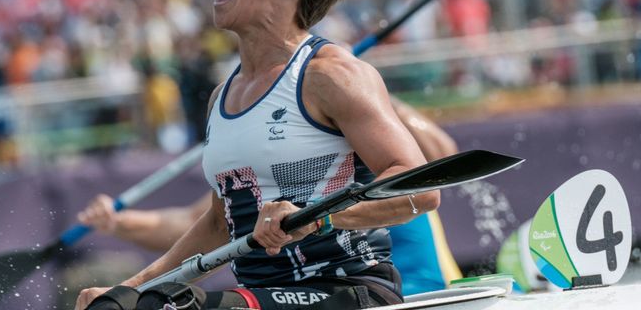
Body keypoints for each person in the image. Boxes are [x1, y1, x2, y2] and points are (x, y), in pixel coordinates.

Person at [75, 0, 440, 309]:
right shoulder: (220, 99)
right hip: (266, 297)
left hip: (349, 290)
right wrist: (129, 289)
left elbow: (421, 190)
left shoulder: (331, 74)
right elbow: (217, 224)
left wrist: (319, 216)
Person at [77, 97, 462, 295]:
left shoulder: (365, 125)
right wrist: (120, 222)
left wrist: (372, 99)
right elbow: (211, 226)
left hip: (422, 292)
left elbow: (442, 162)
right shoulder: (279, 174)